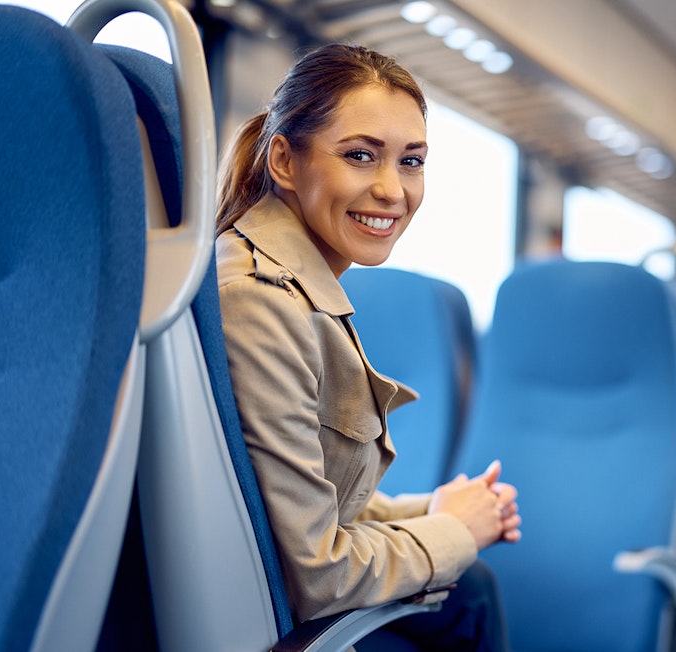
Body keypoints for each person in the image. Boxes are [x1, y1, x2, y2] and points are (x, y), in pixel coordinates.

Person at [214, 43, 521, 651]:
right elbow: (320, 571)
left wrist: (433, 508)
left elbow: (303, 498)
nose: (391, 190)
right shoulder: (262, 302)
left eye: (412, 162)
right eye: (360, 156)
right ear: (284, 160)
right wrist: (454, 532)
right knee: (470, 589)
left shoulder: (285, 282)